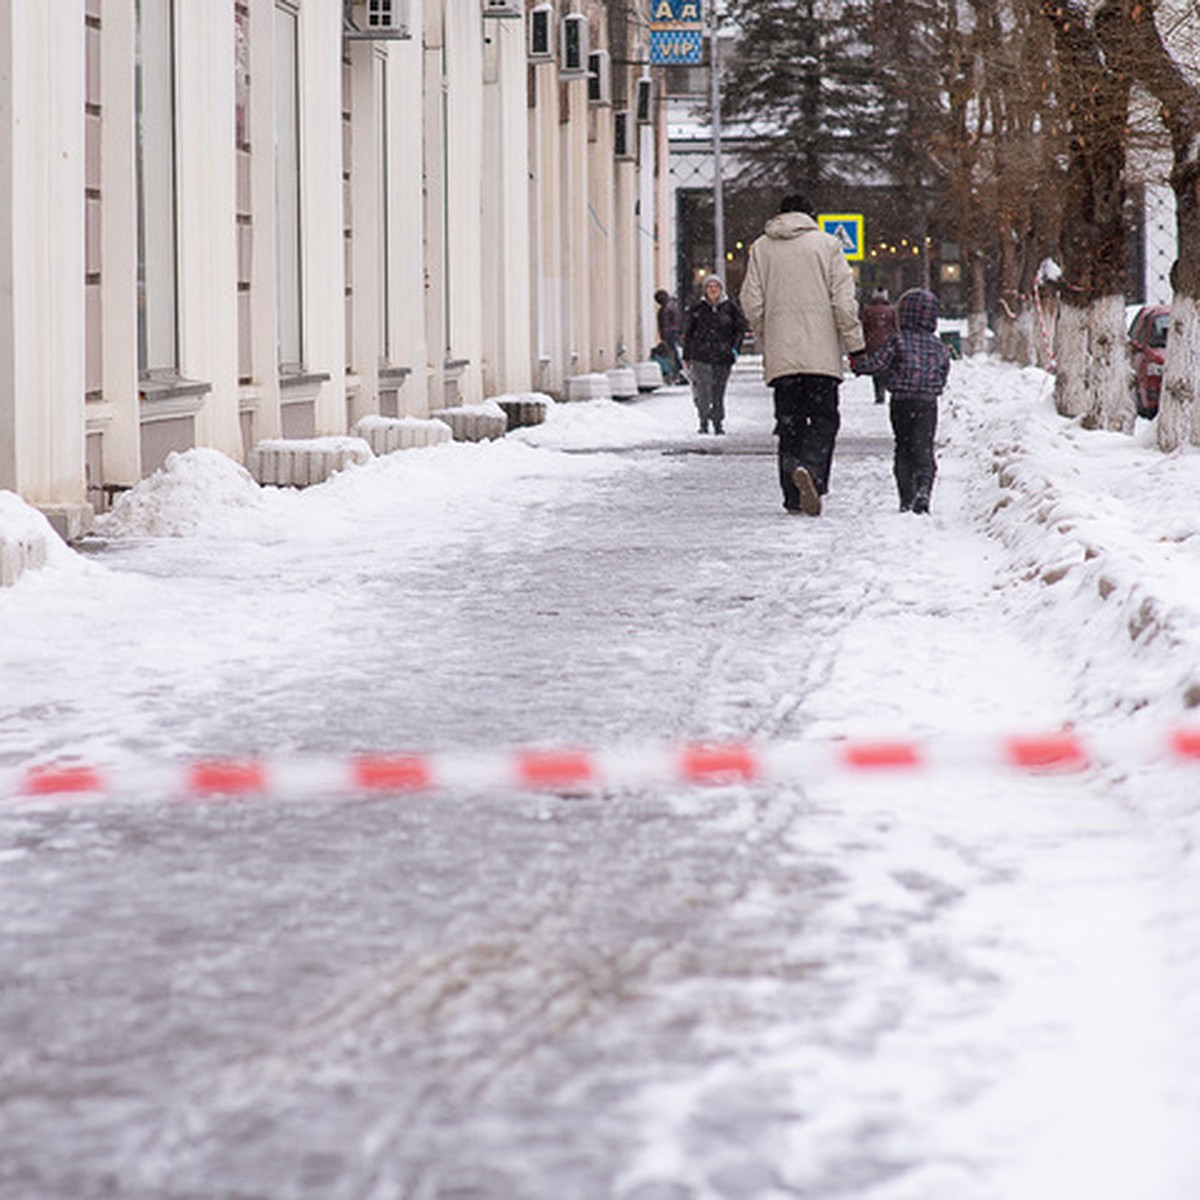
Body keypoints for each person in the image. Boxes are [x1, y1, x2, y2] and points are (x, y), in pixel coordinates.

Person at [739, 193, 866, 516]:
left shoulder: (761, 248)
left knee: (788, 424)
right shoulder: (827, 245)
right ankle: (813, 472)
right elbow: (843, 303)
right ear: (811, 215)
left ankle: (793, 494)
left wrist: (770, 334)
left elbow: (751, 302)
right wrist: (856, 346)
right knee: (824, 420)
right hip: (822, 357)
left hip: (783, 359)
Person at [850, 288, 951, 514]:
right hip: (927, 402)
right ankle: (924, 489)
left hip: (902, 402)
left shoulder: (897, 340)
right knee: (924, 449)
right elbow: (943, 371)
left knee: (903, 447)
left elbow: (878, 364)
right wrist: (934, 386)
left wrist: (858, 365)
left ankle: (906, 498)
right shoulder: (937, 345)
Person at [682, 276, 749, 434]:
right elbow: (689, 332)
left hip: (722, 356)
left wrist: (734, 349)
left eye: (716, 286)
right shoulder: (698, 308)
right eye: (709, 286)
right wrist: (687, 355)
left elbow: (740, 329)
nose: (713, 290)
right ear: (705, 290)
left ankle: (718, 422)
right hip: (700, 355)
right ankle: (703, 421)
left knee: (718, 391)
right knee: (703, 390)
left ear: (721, 289)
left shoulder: (730, 308)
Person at [860, 289, 898, 404]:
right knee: (887, 367)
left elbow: (864, 326)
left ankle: (878, 392)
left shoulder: (868, 310)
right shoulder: (891, 310)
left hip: (872, 343)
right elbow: (895, 326)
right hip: (888, 342)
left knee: (876, 368)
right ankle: (886, 387)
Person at [654, 289, 685, 384]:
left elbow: (671, 322)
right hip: (671, 333)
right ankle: (677, 373)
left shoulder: (667, 308)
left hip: (670, 334)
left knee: (673, 354)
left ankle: (678, 373)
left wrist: (668, 333)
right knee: (673, 354)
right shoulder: (670, 307)